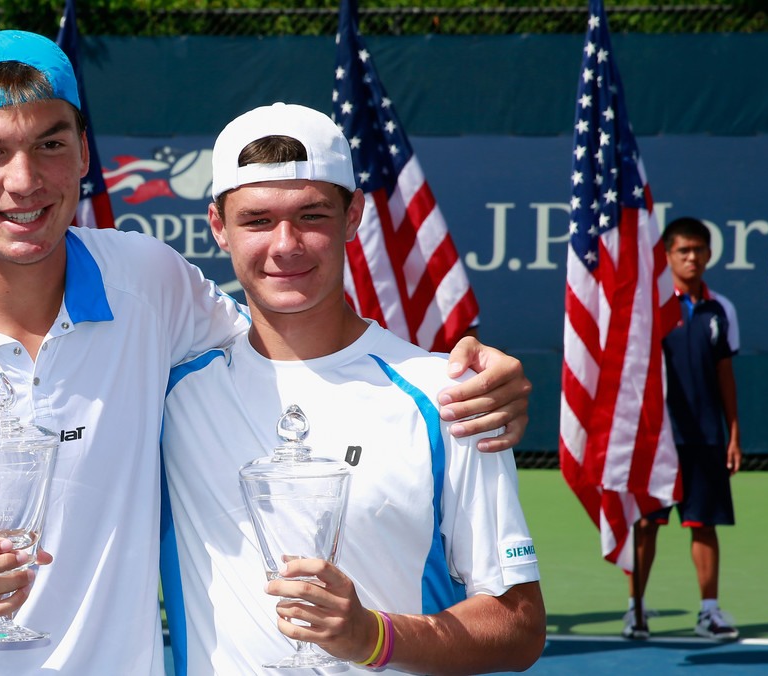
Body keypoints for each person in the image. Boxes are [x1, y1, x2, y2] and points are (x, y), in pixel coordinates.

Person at [0, 30, 531, 674]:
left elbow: (294, 338)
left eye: (49, 145)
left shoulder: (149, 285)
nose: (22, 180)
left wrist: (472, 375)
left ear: (81, 156)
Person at [160, 103, 545, 674]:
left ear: (353, 215)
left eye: (311, 215)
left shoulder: (448, 395)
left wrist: (373, 638)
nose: (285, 244)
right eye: (257, 220)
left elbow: (519, 625)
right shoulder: (171, 397)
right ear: (218, 227)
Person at [625, 217, 741, 641]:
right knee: (647, 524)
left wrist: (733, 434)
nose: (692, 258)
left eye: (699, 250)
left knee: (703, 524)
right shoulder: (650, 308)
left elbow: (725, 375)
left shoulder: (721, 309)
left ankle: (709, 612)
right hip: (657, 439)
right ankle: (635, 609)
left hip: (707, 438)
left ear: (709, 254)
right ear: (669, 256)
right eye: (683, 251)